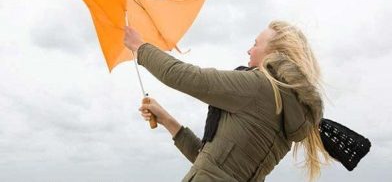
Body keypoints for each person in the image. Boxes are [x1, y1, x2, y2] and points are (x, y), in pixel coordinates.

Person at [124, 20, 331, 182]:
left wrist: (139, 47)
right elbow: (212, 165)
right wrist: (168, 120)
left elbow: (187, 77)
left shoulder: (259, 88)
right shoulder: (287, 108)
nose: (249, 50)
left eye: (256, 43)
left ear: (275, 53)